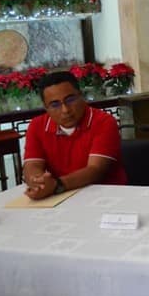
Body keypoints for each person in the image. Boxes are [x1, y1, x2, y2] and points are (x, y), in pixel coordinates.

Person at [23, 71, 127, 200]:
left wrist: (57, 185)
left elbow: (95, 170)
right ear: (46, 107)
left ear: (81, 96)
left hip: (104, 196)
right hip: (58, 197)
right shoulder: (36, 125)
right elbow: (32, 165)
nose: (65, 110)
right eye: (55, 104)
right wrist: (38, 182)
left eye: (70, 100)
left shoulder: (104, 121)